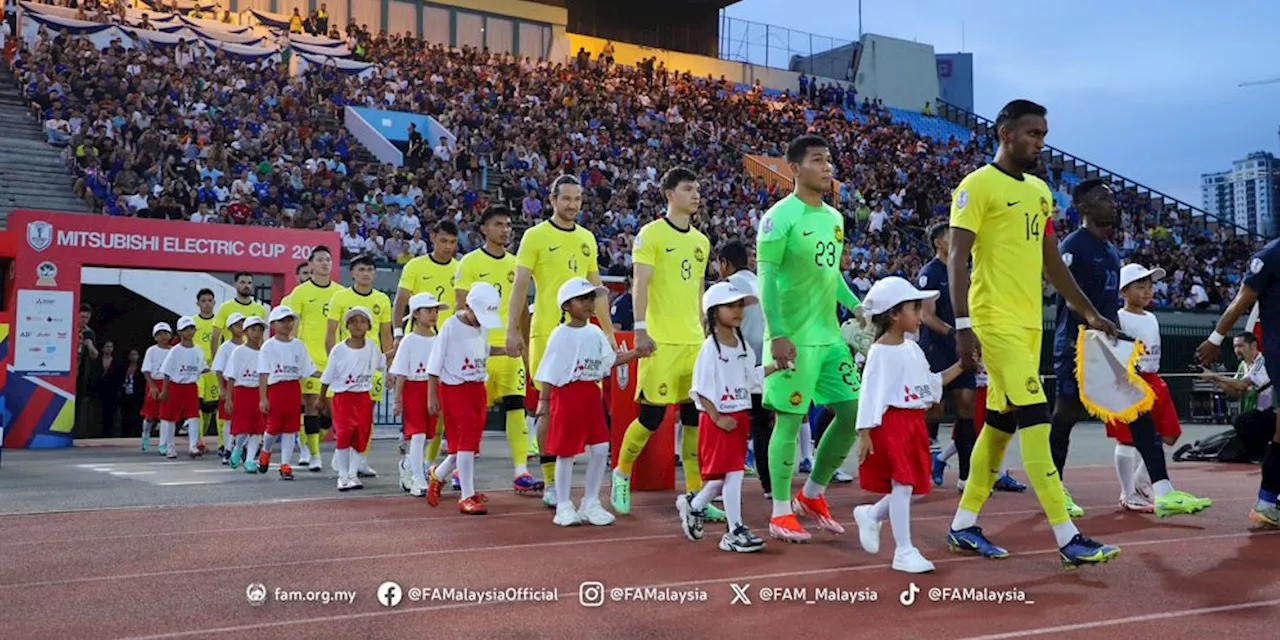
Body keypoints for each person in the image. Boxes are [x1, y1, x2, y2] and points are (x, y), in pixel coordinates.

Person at [944, 99, 1122, 568]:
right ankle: (1067, 535)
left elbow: (1051, 261)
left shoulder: (1042, 192)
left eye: (1043, 134)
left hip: (1028, 324)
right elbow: (956, 257)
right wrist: (964, 326)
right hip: (992, 319)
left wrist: (1087, 311)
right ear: (1006, 133)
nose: (1040, 142)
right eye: (1032, 134)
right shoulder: (976, 185)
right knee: (1035, 419)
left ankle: (963, 525)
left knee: (999, 426)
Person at [756, 135, 863, 543]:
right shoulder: (778, 217)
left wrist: (855, 308)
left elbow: (830, 274)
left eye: (829, 159)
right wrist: (778, 333)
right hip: (792, 338)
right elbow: (766, 279)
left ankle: (812, 494)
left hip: (830, 336)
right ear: (795, 169)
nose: (827, 166)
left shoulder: (835, 219)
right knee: (790, 418)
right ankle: (780, 511)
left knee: (853, 412)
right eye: (818, 160)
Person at [613, 167, 719, 520]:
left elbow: (699, 290)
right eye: (689, 189)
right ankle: (621, 474)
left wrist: (706, 330)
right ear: (669, 194)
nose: (696, 195)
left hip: (692, 341)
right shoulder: (651, 234)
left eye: (698, 189)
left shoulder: (702, 242)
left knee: (693, 419)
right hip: (660, 341)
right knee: (652, 417)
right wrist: (641, 329)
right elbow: (639, 284)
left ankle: (694, 494)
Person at [506, 175, 617, 508]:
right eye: (566, 198)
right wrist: (513, 329)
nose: (572, 205)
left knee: (584, 404)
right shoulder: (535, 236)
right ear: (551, 199)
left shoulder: (586, 238)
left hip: (583, 336)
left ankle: (581, 487)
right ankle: (552, 481)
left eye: (577, 199)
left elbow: (596, 287)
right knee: (549, 408)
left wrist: (609, 331)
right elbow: (519, 287)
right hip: (547, 333)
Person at [852, 277, 966, 574]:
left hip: (914, 423)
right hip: (892, 423)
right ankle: (903, 550)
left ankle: (873, 514)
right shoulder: (879, 353)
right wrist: (864, 433)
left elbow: (932, 382)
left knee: (915, 488)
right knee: (903, 485)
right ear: (893, 314)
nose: (921, 315)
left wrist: (962, 366)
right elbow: (869, 394)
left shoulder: (913, 349)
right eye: (915, 308)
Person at [919, 222, 1025, 493]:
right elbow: (925, 314)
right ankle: (923, 458)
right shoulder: (931, 273)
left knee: (967, 405)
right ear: (938, 243)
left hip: (963, 347)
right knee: (934, 409)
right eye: (950, 237)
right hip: (937, 349)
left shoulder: (966, 272)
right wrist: (955, 332)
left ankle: (966, 475)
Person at [1107, 264, 1212, 515]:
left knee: (1170, 433)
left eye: (1150, 287)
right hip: (1130, 380)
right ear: (1124, 292)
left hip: (1154, 380)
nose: (1147, 292)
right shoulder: (1117, 317)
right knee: (1127, 439)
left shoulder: (1152, 317)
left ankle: (1143, 480)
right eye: (1140, 287)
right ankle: (1127, 493)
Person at [1047, 179, 1123, 518]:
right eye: (1103, 198)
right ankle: (1053, 486)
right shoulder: (1073, 246)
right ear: (1084, 207)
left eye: (1112, 198)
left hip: (1107, 344)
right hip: (1075, 342)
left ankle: (1156, 484)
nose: (1113, 203)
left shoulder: (1111, 251)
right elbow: (1065, 294)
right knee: (1067, 412)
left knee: (1137, 407)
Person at [537, 278, 640, 527]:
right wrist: (544, 400)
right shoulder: (560, 335)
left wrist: (636, 353)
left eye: (591, 299)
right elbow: (549, 371)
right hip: (567, 395)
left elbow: (609, 361)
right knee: (566, 452)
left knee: (601, 447)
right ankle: (563, 504)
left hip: (592, 395)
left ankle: (591, 501)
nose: (589, 304)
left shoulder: (595, 332)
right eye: (583, 299)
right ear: (566, 305)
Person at [455, 206, 543, 495]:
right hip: (479, 351)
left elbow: (522, 313)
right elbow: (461, 309)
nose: (505, 229)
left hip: (510, 351)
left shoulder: (517, 264)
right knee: (473, 415)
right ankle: (458, 468)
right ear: (484, 229)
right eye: (498, 224)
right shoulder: (469, 262)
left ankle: (521, 471)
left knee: (517, 407)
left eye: (507, 224)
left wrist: (528, 350)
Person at [678, 281, 770, 552]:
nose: (738, 310)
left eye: (740, 305)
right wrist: (718, 418)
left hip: (738, 417)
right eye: (731, 306)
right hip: (719, 421)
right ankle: (734, 529)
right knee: (732, 475)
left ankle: (693, 505)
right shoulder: (710, 349)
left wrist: (776, 366)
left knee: (721, 479)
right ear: (713, 311)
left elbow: (752, 379)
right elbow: (700, 389)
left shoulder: (742, 347)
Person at [1196, 235, 1280, 528]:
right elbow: (1242, 300)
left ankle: (1269, 502)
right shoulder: (1270, 255)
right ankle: (1268, 502)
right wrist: (1215, 338)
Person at [426, 283, 504, 514]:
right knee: (466, 439)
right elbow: (435, 362)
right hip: (454, 389)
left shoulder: (482, 327)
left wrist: (506, 350)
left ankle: (437, 475)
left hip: (478, 388)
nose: (481, 320)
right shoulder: (451, 326)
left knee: (468, 444)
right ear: (468, 306)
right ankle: (466, 495)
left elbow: (482, 349)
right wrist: (432, 395)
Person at [394, 221, 460, 469]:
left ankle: (426, 462)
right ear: (432, 238)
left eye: (452, 242)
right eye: (443, 241)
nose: (447, 247)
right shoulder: (415, 265)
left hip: (449, 345)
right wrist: (399, 333)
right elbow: (400, 300)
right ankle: (414, 456)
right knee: (419, 404)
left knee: (441, 408)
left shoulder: (460, 268)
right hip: (420, 343)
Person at [327, 254, 394, 478]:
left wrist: (389, 366)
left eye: (370, 270)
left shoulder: (382, 299)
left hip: (371, 366)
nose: (366, 273)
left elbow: (386, 335)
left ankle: (361, 458)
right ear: (353, 273)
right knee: (344, 417)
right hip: (346, 366)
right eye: (362, 269)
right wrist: (334, 363)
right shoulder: (340, 297)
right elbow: (331, 333)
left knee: (367, 414)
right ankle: (343, 453)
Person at [717, 239, 771, 498]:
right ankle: (770, 486)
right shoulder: (762, 282)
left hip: (738, 362)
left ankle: (719, 484)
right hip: (767, 360)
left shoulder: (727, 287)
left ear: (724, 263)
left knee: (727, 422)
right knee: (763, 425)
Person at [282, 246, 340, 473]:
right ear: (311, 264)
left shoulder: (340, 292)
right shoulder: (300, 293)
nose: (325, 263)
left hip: (333, 358)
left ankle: (307, 441)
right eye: (320, 260)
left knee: (330, 410)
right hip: (310, 359)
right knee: (312, 404)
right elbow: (293, 327)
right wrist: (295, 354)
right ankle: (314, 454)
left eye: (328, 259)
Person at [321, 307, 387, 491]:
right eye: (353, 321)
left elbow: (381, 363)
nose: (358, 325)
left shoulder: (372, 348)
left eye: (362, 321)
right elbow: (327, 376)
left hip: (363, 398)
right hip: (343, 398)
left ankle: (352, 474)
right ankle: (342, 476)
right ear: (347, 325)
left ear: (368, 326)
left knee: (360, 436)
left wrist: (398, 348)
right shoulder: (339, 350)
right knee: (343, 435)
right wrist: (321, 398)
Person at [391, 293, 448, 497]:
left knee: (428, 436)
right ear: (415, 313)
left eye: (435, 311)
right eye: (428, 311)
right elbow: (401, 372)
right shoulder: (409, 340)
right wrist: (397, 400)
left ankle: (408, 464)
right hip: (414, 389)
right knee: (418, 435)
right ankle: (418, 478)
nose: (433, 315)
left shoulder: (440, 339)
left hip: (434, 389)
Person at [256, 307, 319, 481]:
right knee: (272, 428)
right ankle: (266, 451)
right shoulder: (268, 346)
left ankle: (285, 465)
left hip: (293, 389)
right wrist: (263, 398)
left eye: (290, 320)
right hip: (276, 390)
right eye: (282, 321)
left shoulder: (298, 345)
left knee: (291, 429)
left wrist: (328, 374)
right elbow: (263, 373)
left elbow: (309, 369)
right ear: (273, 324)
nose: (287, 324)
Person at [158, 317, 207, 460]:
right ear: (180, 332)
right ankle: (170, 447)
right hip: (175, 386)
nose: (190, 332)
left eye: (192, 329)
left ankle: (193, 445)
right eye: (186, 330)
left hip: (191, 386)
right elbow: (167, 371)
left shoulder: (198, 350)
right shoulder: (175, 351)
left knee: (193, 416)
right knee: (169, 417)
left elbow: (201, 368)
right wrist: (165, 390)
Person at [225, 317, 267, 473]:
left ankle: (250, 460)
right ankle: (238, 447)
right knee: (242, 429)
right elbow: (231, 376)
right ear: (245, 332)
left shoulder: (264, 352)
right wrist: (229, 398)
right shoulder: (238, 352)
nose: (257, 334)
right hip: (242, 392)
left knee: (256, 429)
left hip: (258, 392)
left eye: (260, 330)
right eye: (253, 330)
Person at [211, 313, 246, 466]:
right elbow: (218, 369)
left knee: (244, 420)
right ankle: (228, 448)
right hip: (228, 386)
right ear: (230, 328)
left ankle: (241, 448)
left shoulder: (249, 345)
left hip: (245, 387)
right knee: (228, 420)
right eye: (238, 325)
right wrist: (222, 389)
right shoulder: (225, 347)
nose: (241, 328)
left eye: (243, 324)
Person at [192, 289, 222, 461]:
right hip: (197, 372)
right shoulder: (193, 322)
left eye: (210, 300)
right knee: (197, 406)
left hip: (214, 371)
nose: (207, 303)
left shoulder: (219, 323)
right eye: (203, 300)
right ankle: (197, 440)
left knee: (211, 409)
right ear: (198, 303)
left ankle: (219, 442)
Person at [212, 272, 267, 351]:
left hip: (251, 354)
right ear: (235, 284)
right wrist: (215, 359)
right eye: (242, 282)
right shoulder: (225, 307)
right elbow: (215, 336)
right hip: (230, 353)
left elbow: (261, 337)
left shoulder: (260, 309)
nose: (246, 286)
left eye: (249, 283)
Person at [140, 323, 172, 453]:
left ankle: (163, 443)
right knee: (150, 415)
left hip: (168, 384)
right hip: (154, 383)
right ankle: (145, 435)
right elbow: (146, 370)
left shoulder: (173, 350)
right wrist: (152, 387)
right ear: (155, 337)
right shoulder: (151, 350)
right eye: (160, 334)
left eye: (165, 333)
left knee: (166, 415)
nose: (163, 336)